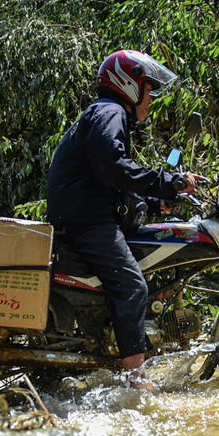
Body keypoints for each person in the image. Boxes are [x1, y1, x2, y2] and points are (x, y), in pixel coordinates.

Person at [46, 49, 199, 390]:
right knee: (132, 287)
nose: (151, 99)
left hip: (86, 217)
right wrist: (170, 181)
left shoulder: (105, 114)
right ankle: (135, 380)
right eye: (149, 89)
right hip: (88, 224)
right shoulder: (109, 112)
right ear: (129, 85)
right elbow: (112, 168)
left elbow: (110, 181)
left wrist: (156, 201)